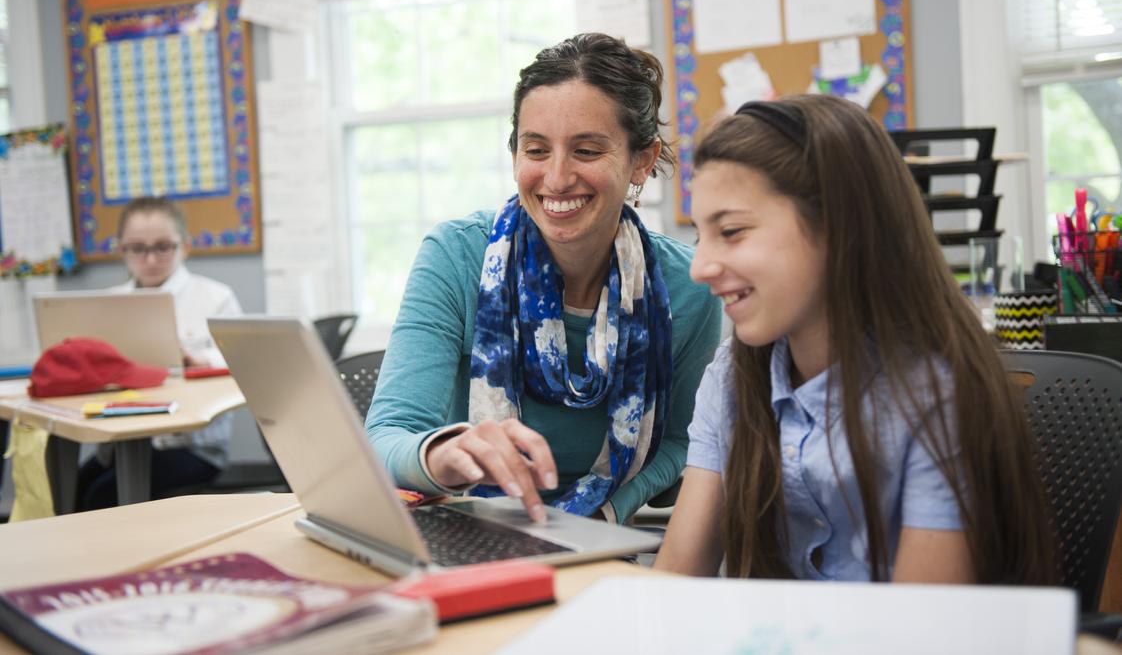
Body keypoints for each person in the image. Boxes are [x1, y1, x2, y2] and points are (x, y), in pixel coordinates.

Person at [655, 95, 1057, 584]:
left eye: (732, 231)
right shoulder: (733, 378)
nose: (700, 268)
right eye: (701, 236)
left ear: (836, 225)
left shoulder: (940, 396)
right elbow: (674, 582)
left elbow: (921, 631)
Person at [366, 33, 722, 525]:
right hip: (464, 523)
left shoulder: (690, 287)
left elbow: (685, 440)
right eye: (536, 150)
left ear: (641, 159)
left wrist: (605, 512)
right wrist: (441, 454)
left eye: (587, 151)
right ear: (515, 153)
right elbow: (387, 433)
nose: (556, 178)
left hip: (604, 532)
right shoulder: (455, 255)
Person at [75, 196, 243, 510]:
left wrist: (200, 363)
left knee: (102, 497)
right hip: (120, 442)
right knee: (72, 489)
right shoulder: (108, 303)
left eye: (163, 247)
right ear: (121, 249)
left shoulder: (216, 298)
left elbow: (242, 364)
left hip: (191, 447)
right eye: (138, 248)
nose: (150, 259)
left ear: (185, 246)